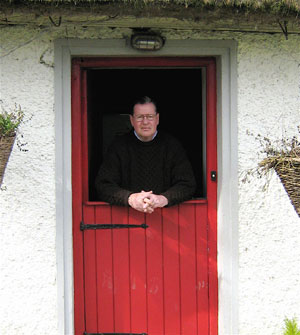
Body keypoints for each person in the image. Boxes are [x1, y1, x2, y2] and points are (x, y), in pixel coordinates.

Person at [95, 96, 196, 213]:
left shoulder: (172, 146)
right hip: (127, 219)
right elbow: (103, 185)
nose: (145, 122)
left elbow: (188, 184)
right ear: (131, 120)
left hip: (167, 221)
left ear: (157, 119)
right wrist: (131, 198)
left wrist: (162, 199)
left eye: (150, 117)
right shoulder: (118, 147)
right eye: (140, 117)